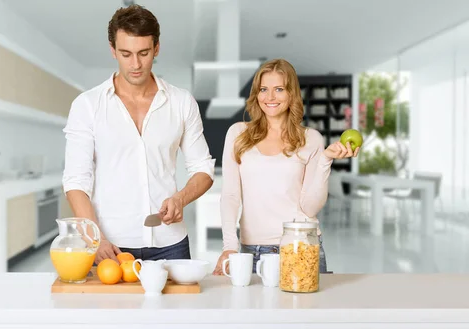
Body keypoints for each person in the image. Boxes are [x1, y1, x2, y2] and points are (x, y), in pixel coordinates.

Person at [62, 5, 215, 265]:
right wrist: (93, 236)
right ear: (113, 50)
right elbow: (76, 181)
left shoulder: (181, 102)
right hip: (110, 245)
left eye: (144, 53)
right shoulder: (87, 105)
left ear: (156, 48)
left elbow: (203, 169)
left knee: (178, 308)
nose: (135, 64)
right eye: (126, 54)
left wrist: (181, 198)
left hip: (171, 245)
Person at [212, 59, 359, 275]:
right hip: (252, 251)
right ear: (256, 94)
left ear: (291, 94)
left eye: (279, 89)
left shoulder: (311, 139)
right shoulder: (238, 134)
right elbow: (231, 195)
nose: (270, 97)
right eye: (264, 89)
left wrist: (325, 160)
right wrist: (229, 247)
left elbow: (309, 207)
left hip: (302, 246)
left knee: (308, 309)